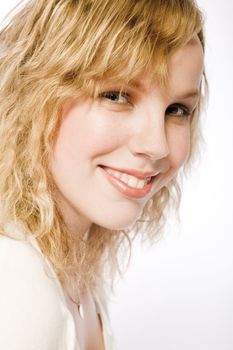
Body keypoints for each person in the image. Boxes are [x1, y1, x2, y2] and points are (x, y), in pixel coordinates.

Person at [0, 0, 207, 349]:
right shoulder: (17, 288)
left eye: (177, 110)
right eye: (116, 96)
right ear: (33, 95)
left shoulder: (71, 270)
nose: (156, 146)